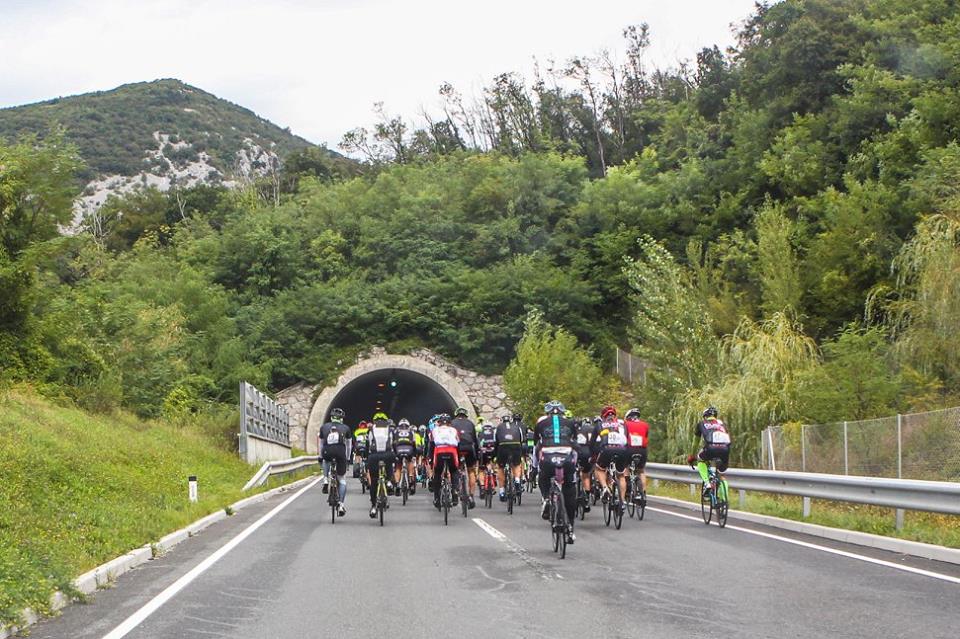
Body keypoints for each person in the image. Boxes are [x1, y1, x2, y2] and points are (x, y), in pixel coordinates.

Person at [534, 400, 578, 544]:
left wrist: (535, 467)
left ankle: (546, 498)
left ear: (547, 412)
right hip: (566, 458)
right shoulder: (570, 423)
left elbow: (535, 444)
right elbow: (575, 442)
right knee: (570, 490)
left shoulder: (541, 423)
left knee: (543, 477)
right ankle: (570, 529)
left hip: (547, 458)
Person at [687, 406, 731, 501]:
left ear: (705, 417)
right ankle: (724, 501)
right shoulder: (723, 424)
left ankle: (707, 483)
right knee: (721, 475)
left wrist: (691, 456)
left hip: (711, 448)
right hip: (725, 449)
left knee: (700, 461)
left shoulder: (702, 424)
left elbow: (695, 443)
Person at [319, 407, 352, 517]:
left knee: (325, 459)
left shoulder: (324, 427)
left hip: (327, 452)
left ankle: (325, 479)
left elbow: (321, 444)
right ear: (341, 418)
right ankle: (341, 505)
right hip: (340, 453)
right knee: (342, 480)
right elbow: (348, 445)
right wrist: (347, 459)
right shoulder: (346, 428)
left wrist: (320, 456)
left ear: (331, 417)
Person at [595, 406, 629, 504]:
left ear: (603, 416)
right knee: (621, 475)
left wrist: (594, 453)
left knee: (599, 469)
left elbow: (595, 442)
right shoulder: (622, 423)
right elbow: (626, 438)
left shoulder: (601, 424)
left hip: (607, 450)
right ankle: (622, 502)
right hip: (622, 450)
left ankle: (605, 488)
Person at [427, 413, 461, 509]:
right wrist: (459, 459)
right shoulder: (454, 430)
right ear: (450, 423)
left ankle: (437, 498)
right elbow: (458, 445)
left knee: (437, 473)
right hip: (452, 452)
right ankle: (454, 491)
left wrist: (430, 459)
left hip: (439, 452)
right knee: (454, 471)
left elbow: (431, 446)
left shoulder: (434, 430)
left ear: (439, 423)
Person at [366, 412, 396, 518]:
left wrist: (366, 458)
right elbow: (394, 444)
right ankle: (388, 481)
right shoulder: (390, 429)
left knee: (374, 481)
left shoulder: (371, 430)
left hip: (374, 456)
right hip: (387, 454)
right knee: (391, 463)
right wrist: (395, 456)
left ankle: (374, 506)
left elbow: (368, 445)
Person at [452, 406, 479, 509]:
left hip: (457, 448)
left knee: (454, 469)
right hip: (469, 448)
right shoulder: (470, 424)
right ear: (466, 415)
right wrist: (476, 456)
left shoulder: (452, 423)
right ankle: (471, 496)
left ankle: (456, 489)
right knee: (471, 471)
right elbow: (475, 441)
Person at [494, 413, 524, 501]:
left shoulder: (498, 427)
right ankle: (517, 480)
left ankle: (502, 491)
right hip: (516, 446)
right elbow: (521, 439)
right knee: (516, 464)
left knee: (500, 467)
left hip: (503, 446)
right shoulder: (516, 426)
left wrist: (495, 454)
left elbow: (496, 441)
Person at [574, 415, 600, 512]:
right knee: (586, 475)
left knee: (573, 472)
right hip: (590, 452)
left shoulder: (578, 429)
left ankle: (574, 490)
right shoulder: (594, 429)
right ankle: (586, 496)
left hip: (579, 451)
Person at [624, 408, 650, 500]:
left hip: (630, 449)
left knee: (625, 467)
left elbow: (624, 438)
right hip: (642, 450)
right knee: (641, 471)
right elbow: (646, 437)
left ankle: (627, 489)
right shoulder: (645, 425)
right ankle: (643, 493)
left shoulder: (626, 424)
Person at [393, 418, 418, 496]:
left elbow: (393, 443)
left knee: (398, 466)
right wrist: (414, 453)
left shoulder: (396, 431)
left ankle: (397, 484)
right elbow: (414, 443)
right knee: (410, 461)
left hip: (399, 448)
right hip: (408, 448)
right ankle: (410, 477)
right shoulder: (411, 431)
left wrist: (394, 452)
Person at [477, 416, 498, 496]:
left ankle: (482, 487)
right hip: (493, 450)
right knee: (491, 463)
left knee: (481, 470)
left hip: (483, 451)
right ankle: (492, 479)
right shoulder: (494, 432)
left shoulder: (480, 432)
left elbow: (477, 444)